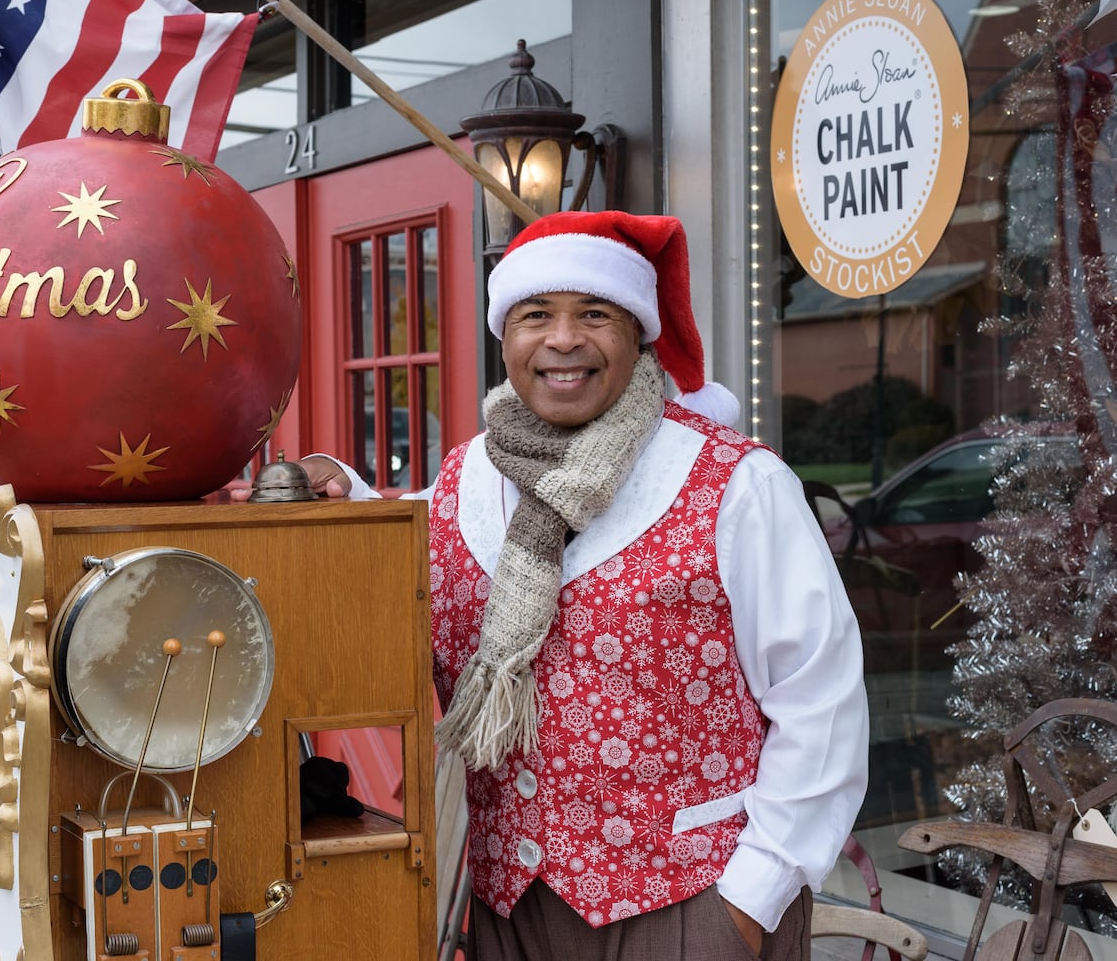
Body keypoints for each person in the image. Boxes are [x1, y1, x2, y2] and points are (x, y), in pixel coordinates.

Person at [289, 211, 868, 960]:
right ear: (506, 339)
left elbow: (820, 702)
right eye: (536, 316)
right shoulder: (468, 478)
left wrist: (750, 902)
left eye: (594, 313)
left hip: (695, 905)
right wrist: (335, 492)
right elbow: (398, 562)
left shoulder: (736, 483)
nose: (563, 339)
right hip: (513, 911)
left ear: (639, 335)